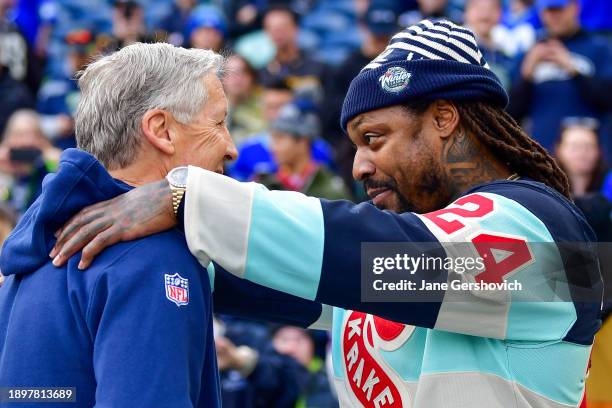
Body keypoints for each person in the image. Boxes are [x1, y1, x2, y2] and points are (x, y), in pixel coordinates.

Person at [49, 21, 603, 408]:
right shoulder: (370, 274)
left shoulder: (549, 242)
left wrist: (188, 198)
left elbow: (394, 261)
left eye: (376, 138)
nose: (359, 166)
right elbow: (259, 272)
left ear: (443, 118)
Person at [0, 43, 331, 407]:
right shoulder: (154, 258)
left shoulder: (32, 255)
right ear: (162, 130)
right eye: (219, 122)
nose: (231, 147)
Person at [507, 0, 612, 152]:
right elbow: (511, 113)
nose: (553, 16)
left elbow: (608, 98)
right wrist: (526, 74)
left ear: (575, 8)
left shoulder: (599, 48)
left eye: (559, 10)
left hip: (589, 155)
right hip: (541, 154)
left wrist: (572, 69)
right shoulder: (529, 53)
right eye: (548, 11)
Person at [259, 101, 352, 200]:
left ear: (302, 142)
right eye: (273, 139)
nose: (273, 147)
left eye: (280, 139)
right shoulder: (265, 184)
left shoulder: (331, 191)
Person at [555, 117, 612, 242]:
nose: (582, 153)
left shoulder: (609, 181)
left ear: (599, 151)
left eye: (588, 146)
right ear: (559, 149)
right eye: (574, 147)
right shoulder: (545, 183)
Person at [258, 5, 327, 103]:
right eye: (271, 28)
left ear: (295, 28)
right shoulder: (262, 73)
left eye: (282, 27)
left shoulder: (319, 68)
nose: (277, 32)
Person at [0, 109, 60, 217]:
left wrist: (53, 160)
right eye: (19, 135)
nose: (27, 141)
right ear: (8, 139)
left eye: (33, 135)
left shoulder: (47, 169)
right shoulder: (5, 167)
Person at [272, 325, 338, 408]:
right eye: (284, 340)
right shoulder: (263, 378)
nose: (292, 347)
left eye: (299, 339)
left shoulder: (331, 376)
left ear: (312, 343)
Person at [223, 54, 267, 145]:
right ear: (223, 79)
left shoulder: (264, 104)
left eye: (242, 72)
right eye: (230, 73)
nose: (237, 78)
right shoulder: (212, 108)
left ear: (252, 77)